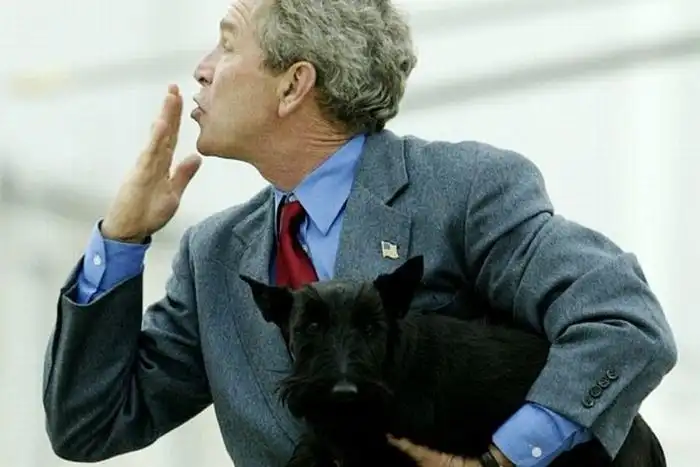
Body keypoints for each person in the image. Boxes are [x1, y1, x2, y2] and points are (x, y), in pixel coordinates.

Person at [42, 0, 677, 466]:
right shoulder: (212, 254)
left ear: (294, 84)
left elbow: (623, 323)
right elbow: (89, 426)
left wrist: (502, 459)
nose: (203, 70)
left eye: (227, 46)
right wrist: (120, 239)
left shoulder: (465, 189)